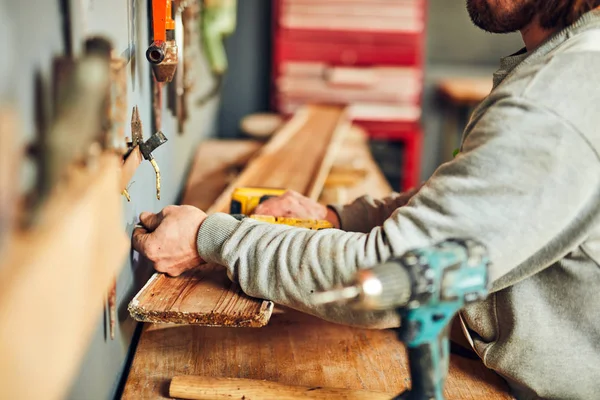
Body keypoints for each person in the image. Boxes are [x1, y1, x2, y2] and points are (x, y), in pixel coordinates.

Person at [132, 1, 600, 399]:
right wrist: (337, 216)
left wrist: (208, 236)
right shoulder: (569, 65)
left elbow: (393, 277)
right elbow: (463, 200)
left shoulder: (554, 100)